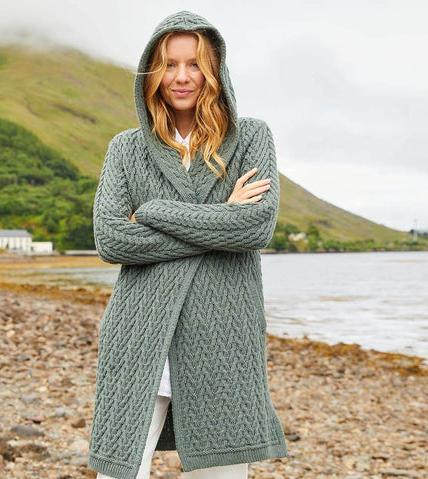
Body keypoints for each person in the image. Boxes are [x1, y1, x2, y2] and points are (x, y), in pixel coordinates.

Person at [88, 10, 289, 479]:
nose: (182, 77)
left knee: (219, 472)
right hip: (139, 334)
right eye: (169, 64)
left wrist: (156, 212)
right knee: (118, 472)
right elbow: (112, 237)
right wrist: (221, 221)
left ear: (214, 69)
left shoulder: (251, 137)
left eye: (194, 63)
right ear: (152, 71)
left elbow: (255, 227)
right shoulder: (125, 148)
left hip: (222, 334)